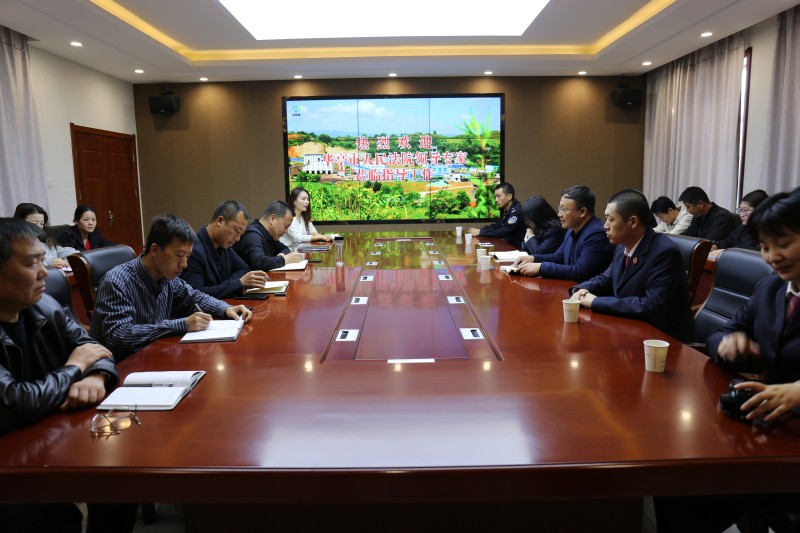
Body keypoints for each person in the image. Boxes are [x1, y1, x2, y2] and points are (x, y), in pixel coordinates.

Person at [656, 189, 800, 532]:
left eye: (783, 244)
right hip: (769, 430)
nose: (772, 257)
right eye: (764, 247)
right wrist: (730, 343)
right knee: (675, 486)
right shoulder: (771, 289)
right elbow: (723, 333)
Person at [0, 218, 135, 532]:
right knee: (50, 518)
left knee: (120, 481)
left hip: (47, 434)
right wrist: (73, 370)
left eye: (43, 260)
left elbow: (95, 350)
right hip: (10, 456)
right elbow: (14, 401)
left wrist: (95, 378)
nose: (45, 272)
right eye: (31, 263)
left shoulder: (44, 306)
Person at [90, 214, 253, 361]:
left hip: (154, 356)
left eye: (188, 256)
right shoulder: (116, 282)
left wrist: (225, 308)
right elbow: (119, 335)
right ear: (155, 250)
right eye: (179, 256)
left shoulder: (167, 278)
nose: (184, 264)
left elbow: (193, 296)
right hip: (117, 368)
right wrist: (181, 324)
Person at [571, 189, 695, 343]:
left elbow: (652, 305)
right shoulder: (622, 245)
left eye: (610, 219)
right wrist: (582, 290)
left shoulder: (664, 252)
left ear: (633, 222)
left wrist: (595, 302)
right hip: (628, 329)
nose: (605, 226)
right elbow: (606, 279)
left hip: (661, 341)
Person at [512, 185, 614, 282]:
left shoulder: (597, 234)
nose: (559, 214)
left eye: (564, 209)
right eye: (559, 208)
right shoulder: (572, 229)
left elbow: (580, 271)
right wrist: (533, 258)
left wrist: (541, 267)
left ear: (582, 212)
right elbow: (559, 257)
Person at [179, 200, 269, 298]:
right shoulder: (193, 250)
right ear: (220, 221)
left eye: (241, 234)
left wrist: (225, 286)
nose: (238, 238)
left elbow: (243, 268)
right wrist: (237, 284)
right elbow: (195, 294)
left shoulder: (224, 245)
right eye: (237, 230)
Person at [234, 201, 304, 271]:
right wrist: (284, 260)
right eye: (285, 226)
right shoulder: (252, 234)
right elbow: (258, 262)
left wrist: (281, 255)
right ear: (272, 219)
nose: (286, 231)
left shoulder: (270, 234)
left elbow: (285, 248)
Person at [12, 202, 77, 268]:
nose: (39, 227)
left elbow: (63, 251)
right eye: (34, 224)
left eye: (42, 224)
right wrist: (51, 262)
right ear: (20, 222)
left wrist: (74, 256)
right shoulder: (13, 244)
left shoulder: (45, 240)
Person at [467, 183, 526, 248]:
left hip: (518, 248)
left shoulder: (516, 211)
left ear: (509, 196)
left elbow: (502, 232)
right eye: (495, 196)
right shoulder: (509, 209)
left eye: (499, 196)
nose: (496, 200)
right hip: (508, 245)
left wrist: (480, 232)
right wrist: (479, 230)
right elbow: (496, 226)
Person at [280, 186, 334, 251]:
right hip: (288, 252)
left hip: (301, 251)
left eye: (308, 199)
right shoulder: (289, 217)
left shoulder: (304, 217)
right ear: (294, 201)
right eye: (303, 199)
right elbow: (298, 238)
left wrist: (319, 236)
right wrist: (320, 237)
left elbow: (313, 231)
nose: (307, 202)